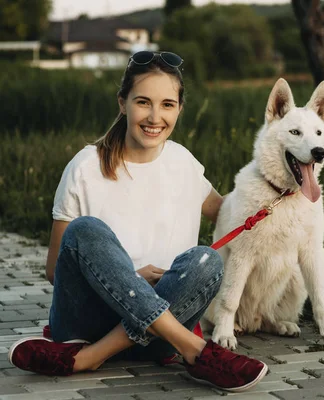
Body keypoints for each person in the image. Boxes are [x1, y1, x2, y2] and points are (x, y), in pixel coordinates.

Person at [8, 51, 268, 392]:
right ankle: (196, 352)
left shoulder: (183, 163)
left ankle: (91, 358)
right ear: (122, 103)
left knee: (205, 259)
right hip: (86, 325)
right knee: (85, 230)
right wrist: (130, 278)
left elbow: (230, 212)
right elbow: (56, 270)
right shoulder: (85, 167)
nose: (155, 117)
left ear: (179, 109)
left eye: (167, 105)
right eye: (143, 102)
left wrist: (277, 186)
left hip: (158, 337)